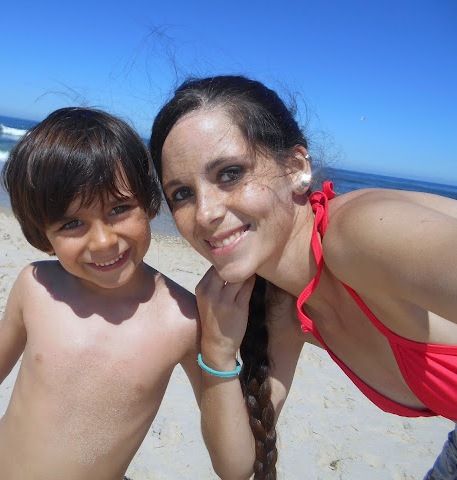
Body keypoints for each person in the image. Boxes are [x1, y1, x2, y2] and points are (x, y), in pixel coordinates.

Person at [149, 75, 457, 480]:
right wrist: (218, 352)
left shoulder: (360, 235)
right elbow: (237, 466)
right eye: (182, 194)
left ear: (296, 168)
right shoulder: (281, 306)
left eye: (229, 173)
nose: (204, 213)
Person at [0, 107, 203, 480]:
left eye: (119, 208)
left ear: (149, 203)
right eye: (72, 223)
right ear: (43, 237)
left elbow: (222, 420)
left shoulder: (183, 318)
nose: (103, 241)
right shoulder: (36, 286)